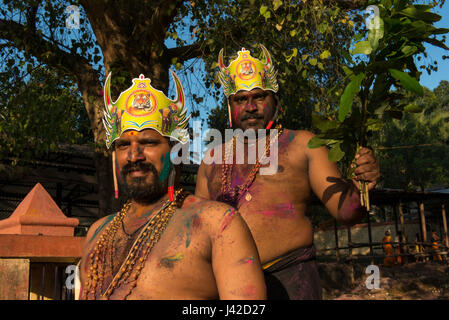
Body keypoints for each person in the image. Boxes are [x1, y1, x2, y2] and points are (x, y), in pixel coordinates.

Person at [195, 44, 380, 299]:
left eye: (259, 97)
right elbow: (198, 237)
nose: (250, 107)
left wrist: (362, 185)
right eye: (240, 99)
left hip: (293, 280)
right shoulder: (211, 161)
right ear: (230, 106)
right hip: (230, 289)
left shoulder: (304, 144)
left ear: (275, 102)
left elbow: (346, 212)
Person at [79, 71, 266, 300]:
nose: (134, 155)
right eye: (123, 145)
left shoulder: (217, 223)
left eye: (148, 142)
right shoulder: (97, 233)